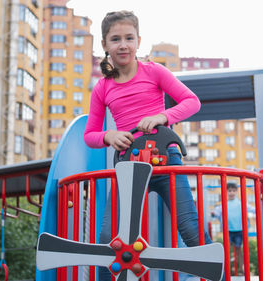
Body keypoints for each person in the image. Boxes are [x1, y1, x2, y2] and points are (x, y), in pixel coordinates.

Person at [83, 10, 212, 280]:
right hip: (129, 167)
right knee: (110, 237)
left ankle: (214, 273)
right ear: (105, 45)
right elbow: (90, 134)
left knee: (189, 227)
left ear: (138, 41)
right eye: (115, 39)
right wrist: (110, 136)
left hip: (166, 163)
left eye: (129, 38)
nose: (123, 45)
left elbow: (192, 102)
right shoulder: (102, 87)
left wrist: (162, 116)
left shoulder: (154, 72)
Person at [211, 182, 251, 275]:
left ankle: (241, 269)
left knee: (238, 249)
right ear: (226, 192)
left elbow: (251, 208)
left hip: (239, 230)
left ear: (237, 192)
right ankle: (225, 270)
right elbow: (216, 212)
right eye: (229, 191)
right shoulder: (224, 204)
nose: (231, 193)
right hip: (228, 230)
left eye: (233, 191)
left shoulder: (240, 203)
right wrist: (213, 213)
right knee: (226, 249)